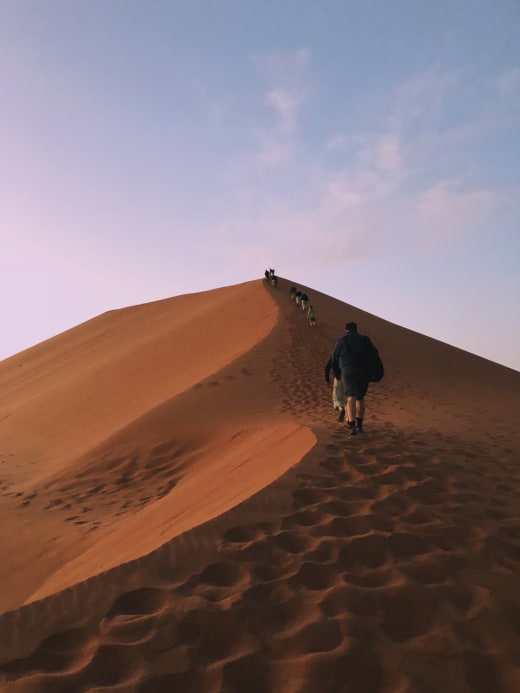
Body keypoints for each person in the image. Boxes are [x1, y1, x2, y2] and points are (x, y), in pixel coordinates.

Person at [330, 322, 377, 435]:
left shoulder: (342, 340)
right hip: (363, 370)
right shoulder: (365, 339)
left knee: (351, 397)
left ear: (346, 330)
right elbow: (375, 353)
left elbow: (334, 358)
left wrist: (337, 374)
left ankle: (351, 426)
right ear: (356, 329)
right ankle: (360, 426)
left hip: (347, 370)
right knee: (360, 398)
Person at [325, 356, 345, 421]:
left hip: (339, 377)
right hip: (350, 377)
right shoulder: (349, 352)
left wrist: (327, 379)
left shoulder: (335, 353)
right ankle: (351, 419)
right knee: (350, 398)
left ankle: (341, 409)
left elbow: (327, 367)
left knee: (337, 398)